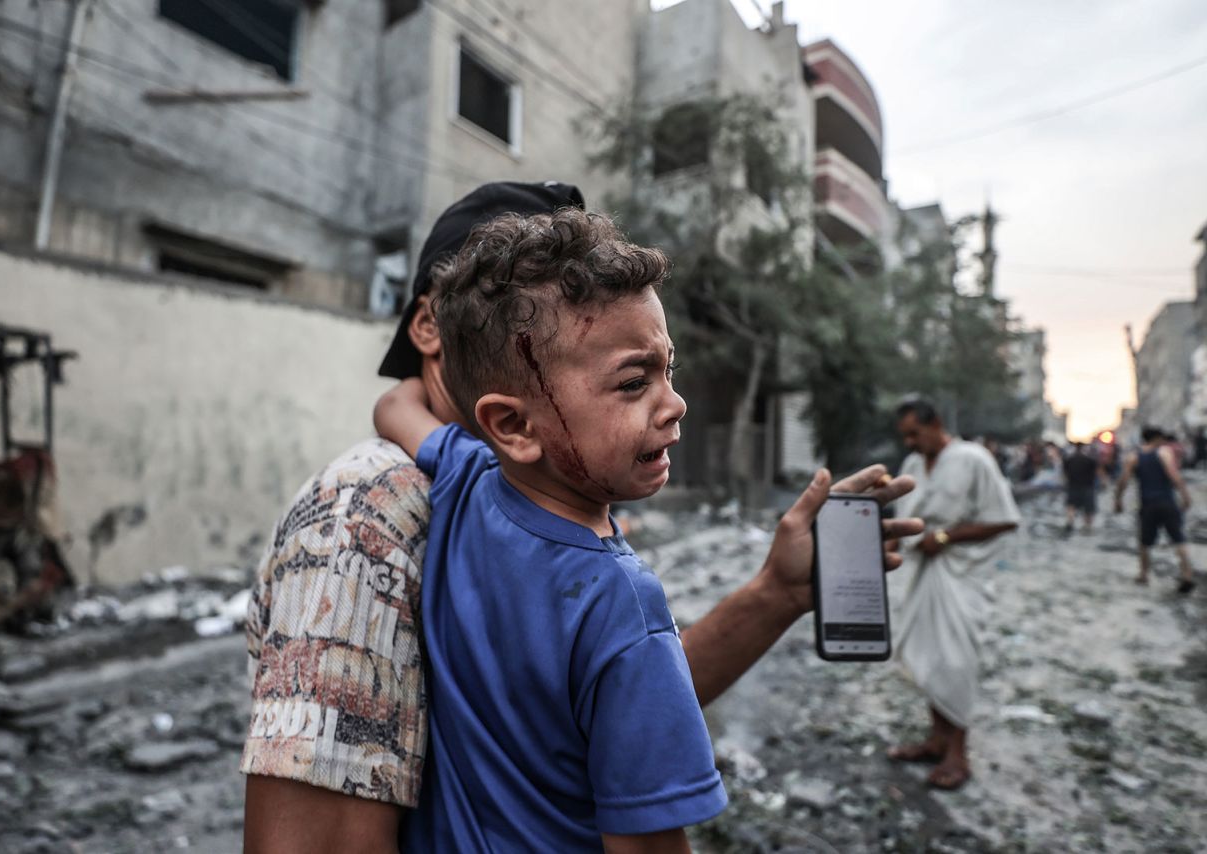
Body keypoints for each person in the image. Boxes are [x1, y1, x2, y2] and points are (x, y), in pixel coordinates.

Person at [240, 182, 920, 853]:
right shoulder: (368, 508)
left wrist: (778, 592)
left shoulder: (475, 479)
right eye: (631, 381)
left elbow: (595, 709)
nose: (676, 404)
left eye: (666, 372)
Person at [888, 398, 1020, 791]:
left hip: (963, 574)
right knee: (929, 656)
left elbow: (1003, 519)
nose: (911, 442)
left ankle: (957, 754)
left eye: (916, 433)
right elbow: (904, 519)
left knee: (957, 659)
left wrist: (945, 537)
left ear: (937, 424)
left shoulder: (973, 459)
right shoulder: (913, 466)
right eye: (906, 436)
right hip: (921, 572)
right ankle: (936, 739)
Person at [1113, 427, 1196, 593]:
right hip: (1167, 502)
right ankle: (1186, 574)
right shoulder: (1163, 453)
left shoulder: (1134, 457)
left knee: (1145, 541)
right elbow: (1174, 476)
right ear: (1156, 438)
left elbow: (1123, 480)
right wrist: (1185, 497)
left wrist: (1118, 500)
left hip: (1148, 504)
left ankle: (1144, 574)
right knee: (1178, 538)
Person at [1062, 441, 1100, 534]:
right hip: (1087, 486)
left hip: (1073, 485)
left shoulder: (1069, 459)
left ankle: (1070, 523)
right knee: (1088, 509)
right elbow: (1096, 473)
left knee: (1071, 505)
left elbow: (1065, 473)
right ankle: (1087, 526)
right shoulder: (1090, 460)